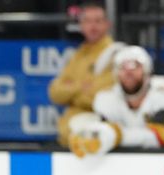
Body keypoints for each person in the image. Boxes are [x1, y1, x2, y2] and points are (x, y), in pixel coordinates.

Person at [67, 46, 164, 157]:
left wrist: (116, 135)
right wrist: (90, 136)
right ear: (116, 74)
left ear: (147, 71)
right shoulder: (106, 99)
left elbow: (163, 137)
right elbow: (103, 134)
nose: (129, 72)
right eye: (122, 67)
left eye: (136, 66)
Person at [48, 1, 122, 146]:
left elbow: (101, 97)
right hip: (69, 134)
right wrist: (81, 87)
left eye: (98, 21)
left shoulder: (115, 54)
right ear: (81, 25)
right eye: (87, 21)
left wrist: (72, 91)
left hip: (102, 127)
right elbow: (55, 92)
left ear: (108, 24)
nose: (92, 26)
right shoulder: (78, 54)